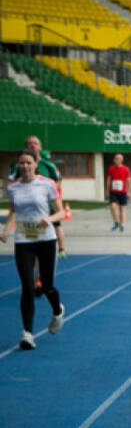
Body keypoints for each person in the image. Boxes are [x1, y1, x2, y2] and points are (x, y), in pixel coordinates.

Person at [1, 148, 65, 350]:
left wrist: (49, 219)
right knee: (28, 287)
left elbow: (61, 212)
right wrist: (6, 229)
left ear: (36, 164)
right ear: (18, 166)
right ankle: (27, 333)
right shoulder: (13, 187)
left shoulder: (47, 184)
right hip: (24, 241)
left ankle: (57, 310)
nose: (25, 166)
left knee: (46, 286)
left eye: (29, 162)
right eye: (22, 163)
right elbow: (13, 209)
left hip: (46, 239)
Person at [10, 136, 65, 257]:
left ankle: (61, 248)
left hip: (47, 203)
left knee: (55, 226)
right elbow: (13, 183)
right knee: (33, 234)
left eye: (35, 143)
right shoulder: (18, 166)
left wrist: (49, 194)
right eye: (29, 143)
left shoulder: (48, 165)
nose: (32, 145)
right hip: (27, 208)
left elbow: (58, 180)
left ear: (40, 147)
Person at [106, 153, 131, 232]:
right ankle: (116, 222)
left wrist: (129, 191)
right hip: (113, 191)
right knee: (112, 206)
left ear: (122, 160)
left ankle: (122, 224)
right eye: (116, 159)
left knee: (121, 209)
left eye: (119, 159)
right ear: (114, 160)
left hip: (122, 191)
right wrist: (107, 190)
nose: (117, 160)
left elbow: (128, 181)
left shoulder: (126, 169)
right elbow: (109, 179)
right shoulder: (111, 168)